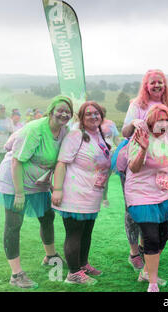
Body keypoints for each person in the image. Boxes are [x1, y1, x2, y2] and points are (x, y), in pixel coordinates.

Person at [0, 95, 73, 288]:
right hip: (14, 181)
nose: (64, 114)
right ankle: (16, 275)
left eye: (67, 111)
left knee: (47, 217)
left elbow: (58, 160)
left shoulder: (64, 131)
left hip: (38, 183)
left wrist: (53, 183)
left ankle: (50, 256)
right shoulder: (35, 130)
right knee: (14, 224)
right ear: (51, 111)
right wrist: (19, 193)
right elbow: (16, 161)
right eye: (60, 110)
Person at [118, 69, 168, 273]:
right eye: (153, 83)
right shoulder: (137, 104)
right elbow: (125, 133)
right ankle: (134, 252)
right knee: (133, 210)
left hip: (159, 161)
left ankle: (147, 248)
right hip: (136, 159)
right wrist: (134, 123)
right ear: (146, 86)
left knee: (155, 209)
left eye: (161, 82)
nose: (157, 85)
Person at [51, 101, 111, 285]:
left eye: (97, 113)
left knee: (87, 232)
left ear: (101, 115)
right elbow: (61, 162)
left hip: (92, 194)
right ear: (81, 118)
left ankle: (83, 264)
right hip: (74, 194)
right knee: (75, 233)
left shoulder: (99, 135)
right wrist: (58, 189)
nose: (93, 117)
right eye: (89, 114)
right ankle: (74, 273)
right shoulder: (76, 135)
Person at [124, 104, 168, 292]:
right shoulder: (140, 137)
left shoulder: (166, 138)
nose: (163, 124)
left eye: (167, 120)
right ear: (150, 122)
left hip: (162, 192)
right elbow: (134, 168)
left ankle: (146, 271)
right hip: (140, 194)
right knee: (151, 237)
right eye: (159, 120)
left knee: (165, 234)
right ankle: (152, 282)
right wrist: (143, 149)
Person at [100, 106, 121, 207]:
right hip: (95, 155)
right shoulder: (91, 124)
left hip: (109, 155)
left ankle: (104, 198)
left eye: (103, 112)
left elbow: (116, 139)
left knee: (105, 178)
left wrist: (122, 148)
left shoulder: (111, 124)